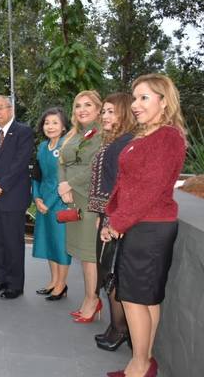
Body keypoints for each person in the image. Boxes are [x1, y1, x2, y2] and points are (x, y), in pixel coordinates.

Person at [103, 74, 186, 377]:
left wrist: (117, 223)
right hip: (142, 224)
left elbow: (150, 189)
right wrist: (113, 213)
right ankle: (144, 361)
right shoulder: (148, 135)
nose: (135, 105)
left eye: (144, 98)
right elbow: (127, 184)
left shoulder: (167, 137)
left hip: (149, 227)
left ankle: (139, 366)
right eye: (135, 98)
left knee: (135, 298)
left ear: (164, 101)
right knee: (146, 297)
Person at [87, 93, 135, 351]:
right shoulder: (117, 141)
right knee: (108, 274)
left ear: (124, 113)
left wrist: (110, 220)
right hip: (108, 216)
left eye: (111, 112)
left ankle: (120, 329)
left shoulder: (125, 143)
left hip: (115, 221)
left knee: (111, 275)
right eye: (103, 111)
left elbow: (122, 186)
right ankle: (116, 327)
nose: (105, 116)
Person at [0, 96, 33, 299]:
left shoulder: (23, 131)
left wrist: (0, 186)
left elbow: (20, 163)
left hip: (12, 196)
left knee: (12, 242)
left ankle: (14, 284)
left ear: (10, 109)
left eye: (1, 108)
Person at [58, 90, 103, 323]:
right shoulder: (73, 134)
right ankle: (89, 297)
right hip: (72, 199)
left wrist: (69, 184)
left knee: (89, 256)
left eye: (87, 105)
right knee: (82, 255)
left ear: (98, 109)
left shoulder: (103, 135)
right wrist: (62, 186)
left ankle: (92, 300)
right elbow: (62, 161)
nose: (82, 110)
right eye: (77, 105)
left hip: (89, 199)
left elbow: (95, 167)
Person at [31, 107, 72, 300]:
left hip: (61, 202)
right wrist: (37, 198)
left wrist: (49, 202)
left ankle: (62, 285)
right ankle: (53, 281)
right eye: (47, 123)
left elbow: (65, 180)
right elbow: (36, 175)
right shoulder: (41, 147)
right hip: (43, 202)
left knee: (60, 244)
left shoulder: (67, 146)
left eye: (55, 122)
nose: (50, 126)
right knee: (48, 242)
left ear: (64, 126)